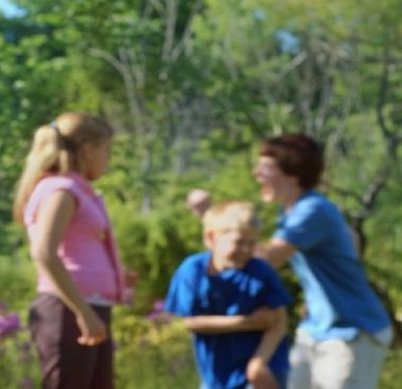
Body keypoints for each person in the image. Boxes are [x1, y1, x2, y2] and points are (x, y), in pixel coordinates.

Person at [188, 133, 394, 389]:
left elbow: (264, 261)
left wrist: (210, 217)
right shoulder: (295, 210)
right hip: (317, 330)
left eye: (265, 167)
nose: (256, 174)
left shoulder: (311, 210)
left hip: (352, 332)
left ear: (292, 173)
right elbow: (352, 243)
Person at [13, 112, 134, 389]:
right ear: (89, 149)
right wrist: (83, 312)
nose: (108, 158)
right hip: (68, 309)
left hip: (90, 305)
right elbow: (44, 253)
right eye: (107, 150)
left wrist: (116, 276)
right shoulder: (61, 191)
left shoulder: (79, 191)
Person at [165, 201, 292, 389]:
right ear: (211, 238)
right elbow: (191, 322)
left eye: (252, 243)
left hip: (263, 369)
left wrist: (258, 365)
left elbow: (279, 322)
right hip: (217, 376)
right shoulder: (192, 271)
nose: (246, 250)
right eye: (239, 242)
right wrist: (247, 322)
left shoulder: (260, 270)